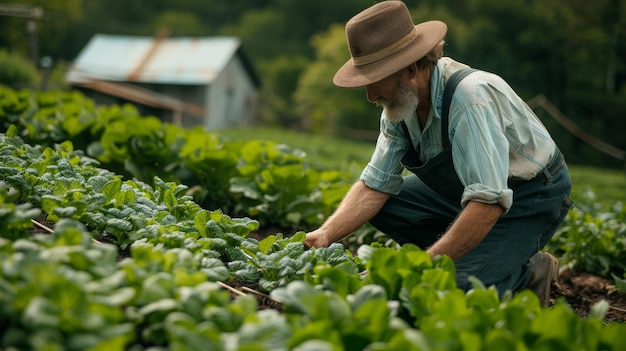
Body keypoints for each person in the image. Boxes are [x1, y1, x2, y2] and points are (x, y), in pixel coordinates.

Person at [304, 0, 573, 306]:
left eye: (375, 81)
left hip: (528, 196)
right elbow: (374, 184)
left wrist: (427, 262)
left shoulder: (469, 100)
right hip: (469, 193)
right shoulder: (399, 106)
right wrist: (326, 233)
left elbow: (487, 202)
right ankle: (490, 256)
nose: (370, 96)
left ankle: (528, 273)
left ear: (409, 69)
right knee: (387, 205)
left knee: (451, 291)